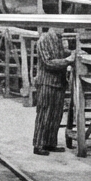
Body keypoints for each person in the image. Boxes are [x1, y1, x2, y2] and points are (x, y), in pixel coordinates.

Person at [32, 27, 73, 156]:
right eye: (61, 26)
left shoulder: (59, 40)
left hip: (59, 83)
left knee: (56, 115)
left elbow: (61, 53)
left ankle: (50, 143)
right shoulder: (43, 40)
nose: (64, 29)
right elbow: (48, 62)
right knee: (44, 114)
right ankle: (38, 145)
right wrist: (67, 60)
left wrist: (71, 53)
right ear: (54, 26)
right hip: (46, 82)